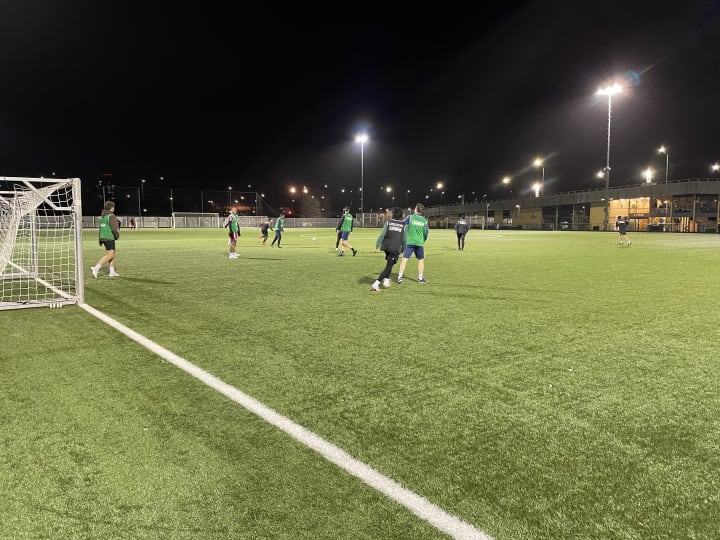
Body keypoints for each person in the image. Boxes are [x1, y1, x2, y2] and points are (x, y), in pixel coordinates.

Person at [371, 207, 406, 292]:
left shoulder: (388, 222)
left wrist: (377, 246)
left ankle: (386, 280)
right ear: (401, 215)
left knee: (390, 262)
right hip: (394, 248)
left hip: (386, 247)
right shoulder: (404, 225)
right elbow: (405, 240)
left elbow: (382, 235)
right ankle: (376, 283)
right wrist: (403, 250)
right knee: (389, 266)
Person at [396, 202, 429, 284]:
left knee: (404, 259)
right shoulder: (425, 221)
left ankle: (399, 277)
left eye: (415, 208)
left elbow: (401, 224)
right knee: (421, 260)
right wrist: (423, 240)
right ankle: (420, 278)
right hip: (419, 243)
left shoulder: (410, 217)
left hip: (410, 242)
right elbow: (426, 233)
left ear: (416, 209)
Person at [91, 201, 121, 278]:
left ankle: (112, 272)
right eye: (113, 207)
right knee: (110, 255)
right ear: (111, 208)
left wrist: (100, 239)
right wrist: (117, 236)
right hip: (109, 237)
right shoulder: (111, 216)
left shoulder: (103, 216)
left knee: (111, 254)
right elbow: (114, 228)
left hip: (103, 237)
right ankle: (96, 268)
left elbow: (101, 228)